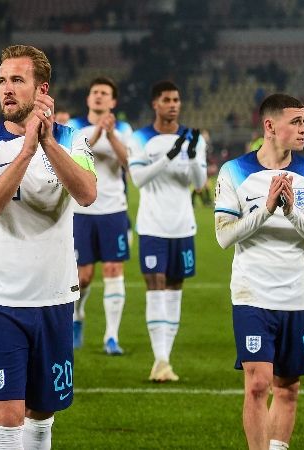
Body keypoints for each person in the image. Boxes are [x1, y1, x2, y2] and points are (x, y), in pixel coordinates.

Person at [0, 45, 97, 449]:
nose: (6, 88)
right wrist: (27, 151)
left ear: (42, 90)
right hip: (0, 299)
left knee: (42, 415)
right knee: (6, 419)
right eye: (2, 80)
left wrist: (49, 142)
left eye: (17, 80)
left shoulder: (72, 139)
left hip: (54, 297)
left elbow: (88, 193)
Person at [214, 94, 304, 450]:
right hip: (252, 294)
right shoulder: (234, 171)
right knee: (258, 383)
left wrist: (292, 212)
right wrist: (265, 211)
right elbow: (223, 237)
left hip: (297, 294)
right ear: (270, 126)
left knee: (288, 388)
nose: (303, 129)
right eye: (295, 121)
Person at [127, 80, 207, 382]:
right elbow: (139, 179)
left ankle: (166, 361)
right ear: (155, 104)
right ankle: (159, 358)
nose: (173, 104)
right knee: (156, 285)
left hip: (182, 225)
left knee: (174, 289)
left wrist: (193, 155)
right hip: (152, 225)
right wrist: (170, 156)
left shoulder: (192, 138)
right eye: (166, 100)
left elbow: (198, 181)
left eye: (176, 99)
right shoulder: (140, 138)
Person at [66, 77, 132, 354]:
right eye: (95, 92)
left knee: (114, 270)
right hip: (81, 211)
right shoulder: (74, 127)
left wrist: (112, 134)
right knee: (83, 277)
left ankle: (111, 337)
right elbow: (73, 159)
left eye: (105, 93)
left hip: (114, 210)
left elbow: (128, 162)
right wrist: (97, 134)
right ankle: (77, 316)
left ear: (113, 101)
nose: (99, 96)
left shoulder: (125, 129)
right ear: (88, 98)